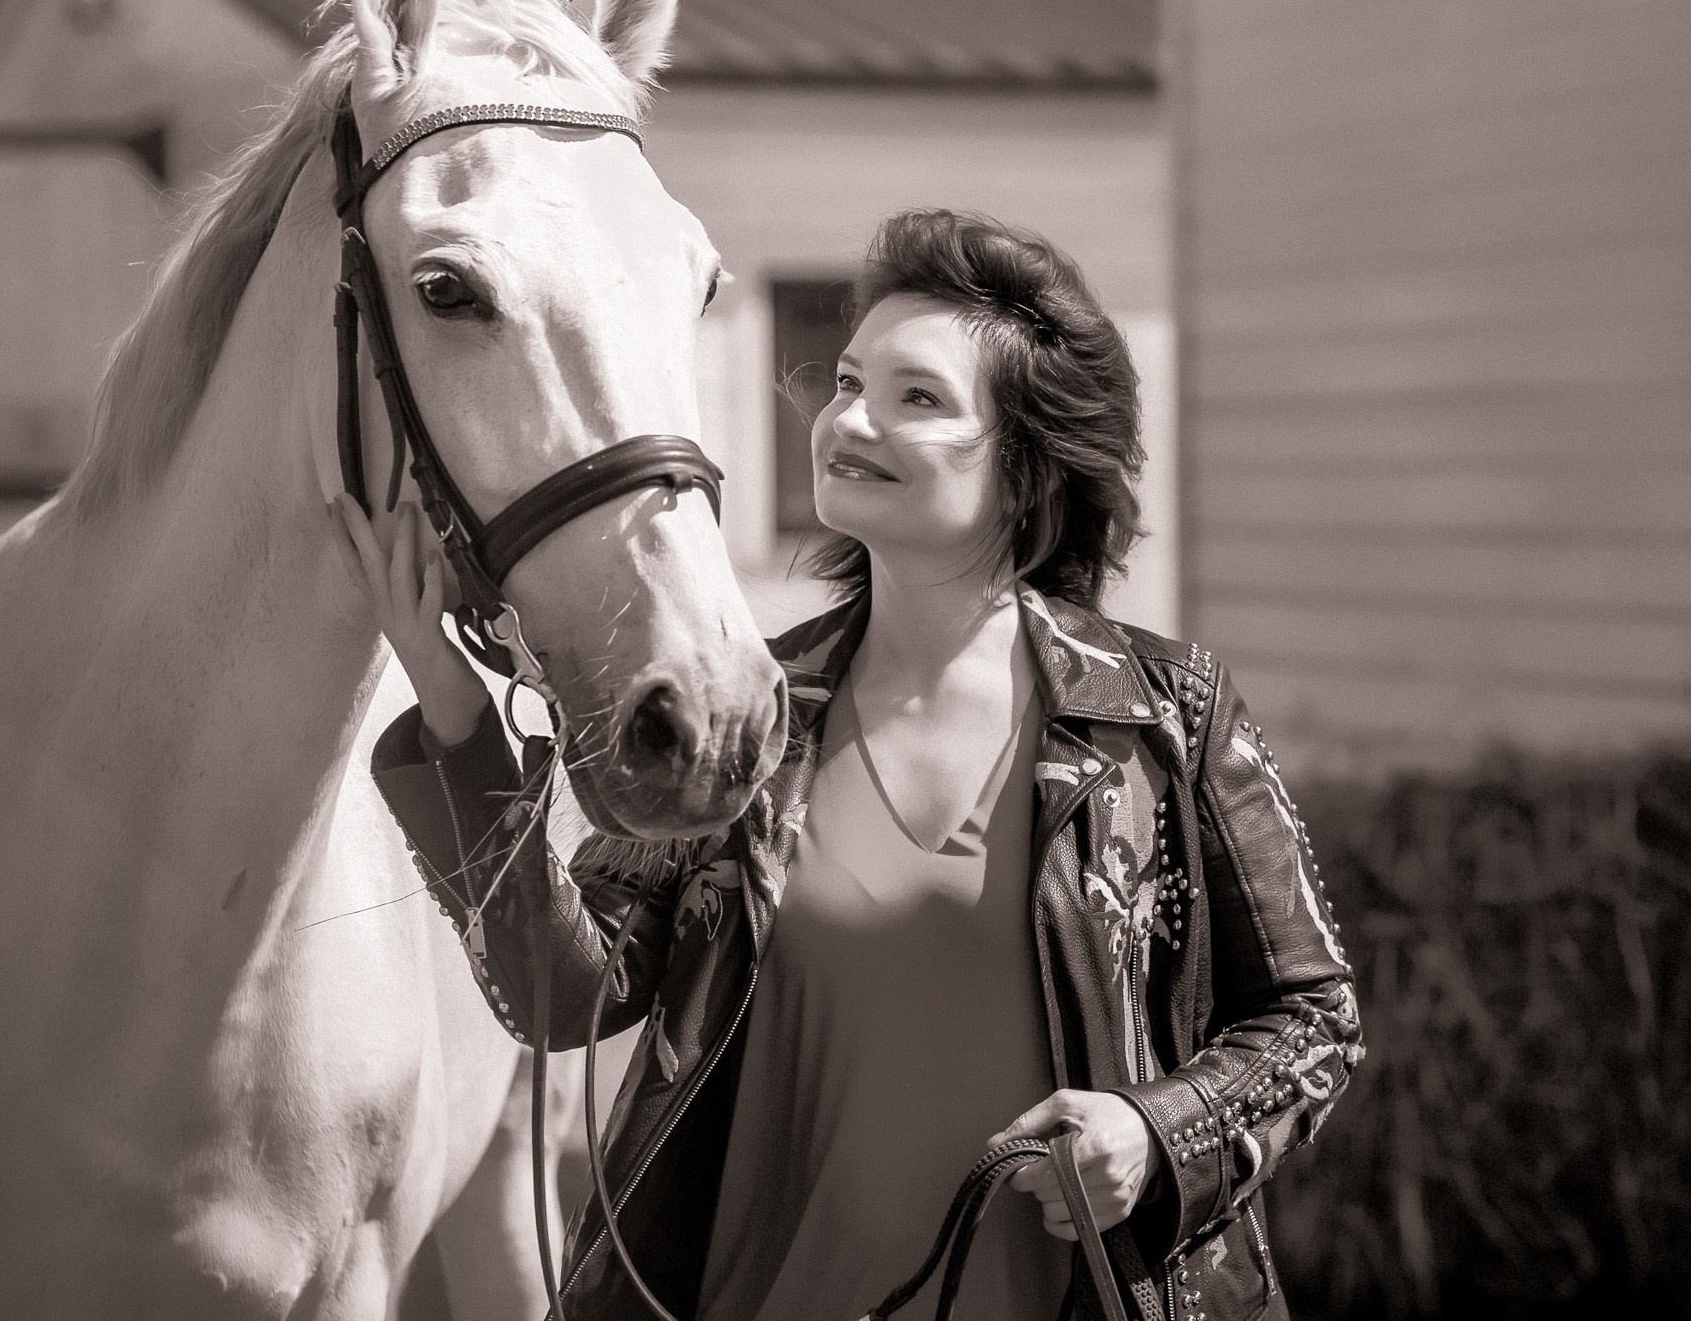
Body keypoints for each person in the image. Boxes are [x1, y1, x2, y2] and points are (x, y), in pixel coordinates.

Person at [337, 208, 1364, 1321]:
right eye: (846, 380)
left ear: (1026, 469)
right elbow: (572, 994)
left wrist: (1157, 1134)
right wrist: (450, 706)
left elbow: (1314, 1015)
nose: (847, 419)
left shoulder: (1165, 718)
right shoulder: (750, 722)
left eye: (914, 398)